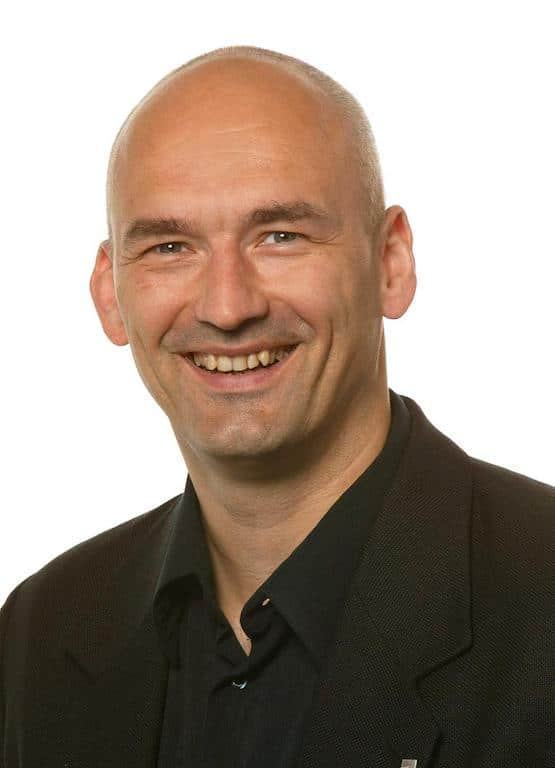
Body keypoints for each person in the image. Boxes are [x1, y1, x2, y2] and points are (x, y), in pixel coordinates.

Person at [1, 45, 554, 768]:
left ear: (390, 262)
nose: (227, 306)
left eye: (281, 237)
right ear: (110, 294)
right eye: (169, 247)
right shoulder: (39, 633)